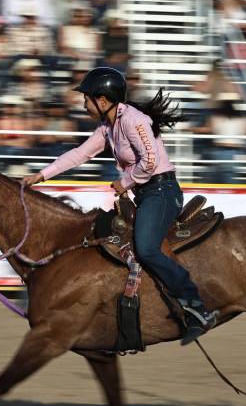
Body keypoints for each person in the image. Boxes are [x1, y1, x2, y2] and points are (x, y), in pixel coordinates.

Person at [21, 67, 218, 344]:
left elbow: (150, 161)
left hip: (162, 192)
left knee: (147, 249)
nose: (84, 103)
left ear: (103, 101)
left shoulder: (133, 120)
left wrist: (125, 181)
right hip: (147, 193)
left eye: (87, 98)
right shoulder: (108, 127)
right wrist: (41, 175)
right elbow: (80, 154)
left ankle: (197, 305)